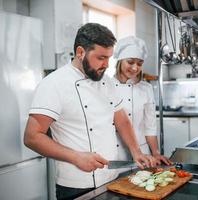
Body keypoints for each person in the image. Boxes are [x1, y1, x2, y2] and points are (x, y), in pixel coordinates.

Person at [23, 23, 158, 200]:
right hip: (76, 185)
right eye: (101, 58)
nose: (106, 65)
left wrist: (136, 152)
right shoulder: (53, 84)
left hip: (111, 178)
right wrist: (76, 157)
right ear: (80, 52)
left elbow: (122, 120)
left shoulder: (107, 83)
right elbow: (32, 137)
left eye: (109, 58)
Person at [112, 36, 172, 165]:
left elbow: (149, 126)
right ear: (120, 61)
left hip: (144, 153)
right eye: (130, 62)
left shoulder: (146, 88)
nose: (135, 68)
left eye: (139, 63)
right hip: (116, 155)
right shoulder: (107, 86)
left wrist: (155, 153)